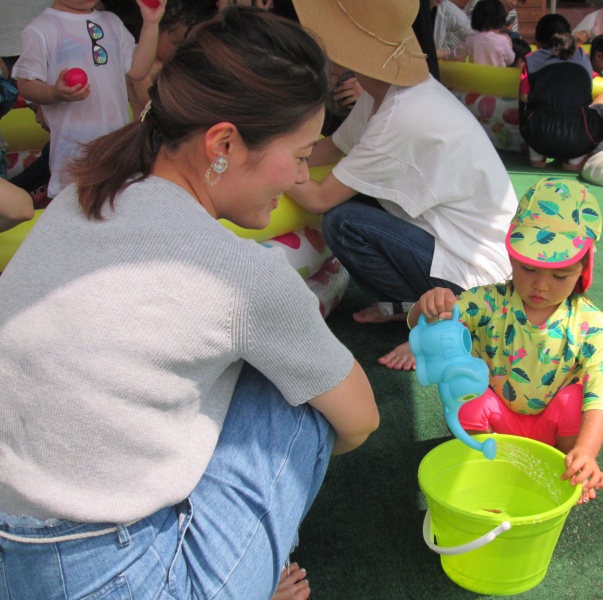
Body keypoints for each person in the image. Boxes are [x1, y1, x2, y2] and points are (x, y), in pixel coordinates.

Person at [0, 9, 379, 600]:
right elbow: (361, 421)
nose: (303, 174)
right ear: (223, 143)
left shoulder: (80, 197)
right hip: (124, 577)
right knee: (304, 399)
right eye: (301, 154)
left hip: (14, 549)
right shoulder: (239, 274)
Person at [290, 0, 518, 371]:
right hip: (464, 247)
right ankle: (409, 307)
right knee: (350, 211)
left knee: (342, 221)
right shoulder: (394, 93)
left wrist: (265, 165)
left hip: (480, 279)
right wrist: (285, 151)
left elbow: (318, 199)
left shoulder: (401, 115)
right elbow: (331, 147)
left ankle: (434, 315)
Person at [408, 177, 603, 505]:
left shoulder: (589, 322)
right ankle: (484, 466)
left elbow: (600, 394)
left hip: (552, 431)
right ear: (511, 256)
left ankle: (569, 469)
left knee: (574, 402)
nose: (540, 285)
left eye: (559, 275)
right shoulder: (489, 302)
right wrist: (429, 305)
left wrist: (587, 452)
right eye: (527, 267)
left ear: (583, 268)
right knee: (469, 402)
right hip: (498, 421)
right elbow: (430, 322)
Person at [12, 0, 164, 199]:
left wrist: (151, 24)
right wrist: (54, 93)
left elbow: (138, 70)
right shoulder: (41, 28)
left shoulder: (111, 22)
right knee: (78, 208)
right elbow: (26, 83)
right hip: (73, 155)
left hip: (116, 149)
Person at [520, 13, 603, 171]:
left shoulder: (531, 59)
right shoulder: (583, 56)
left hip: (538, 136)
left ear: (538, 41)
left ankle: (537, 156)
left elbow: (524, 97)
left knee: (532, 108)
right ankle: (575, 160)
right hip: (578, 138)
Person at [127, 0, 217, 116]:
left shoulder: (173, 65)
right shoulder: (145, 68)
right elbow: (160, 107)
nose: (180, 50)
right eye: (176, 43)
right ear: (156, 31)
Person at [440, 0, 515, 66]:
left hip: (475, 77)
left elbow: (458, 54)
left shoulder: (471, 39)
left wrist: (446, 57)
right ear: (501, 21)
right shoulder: (503, 40)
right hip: (496, 78)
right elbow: (510, 59)